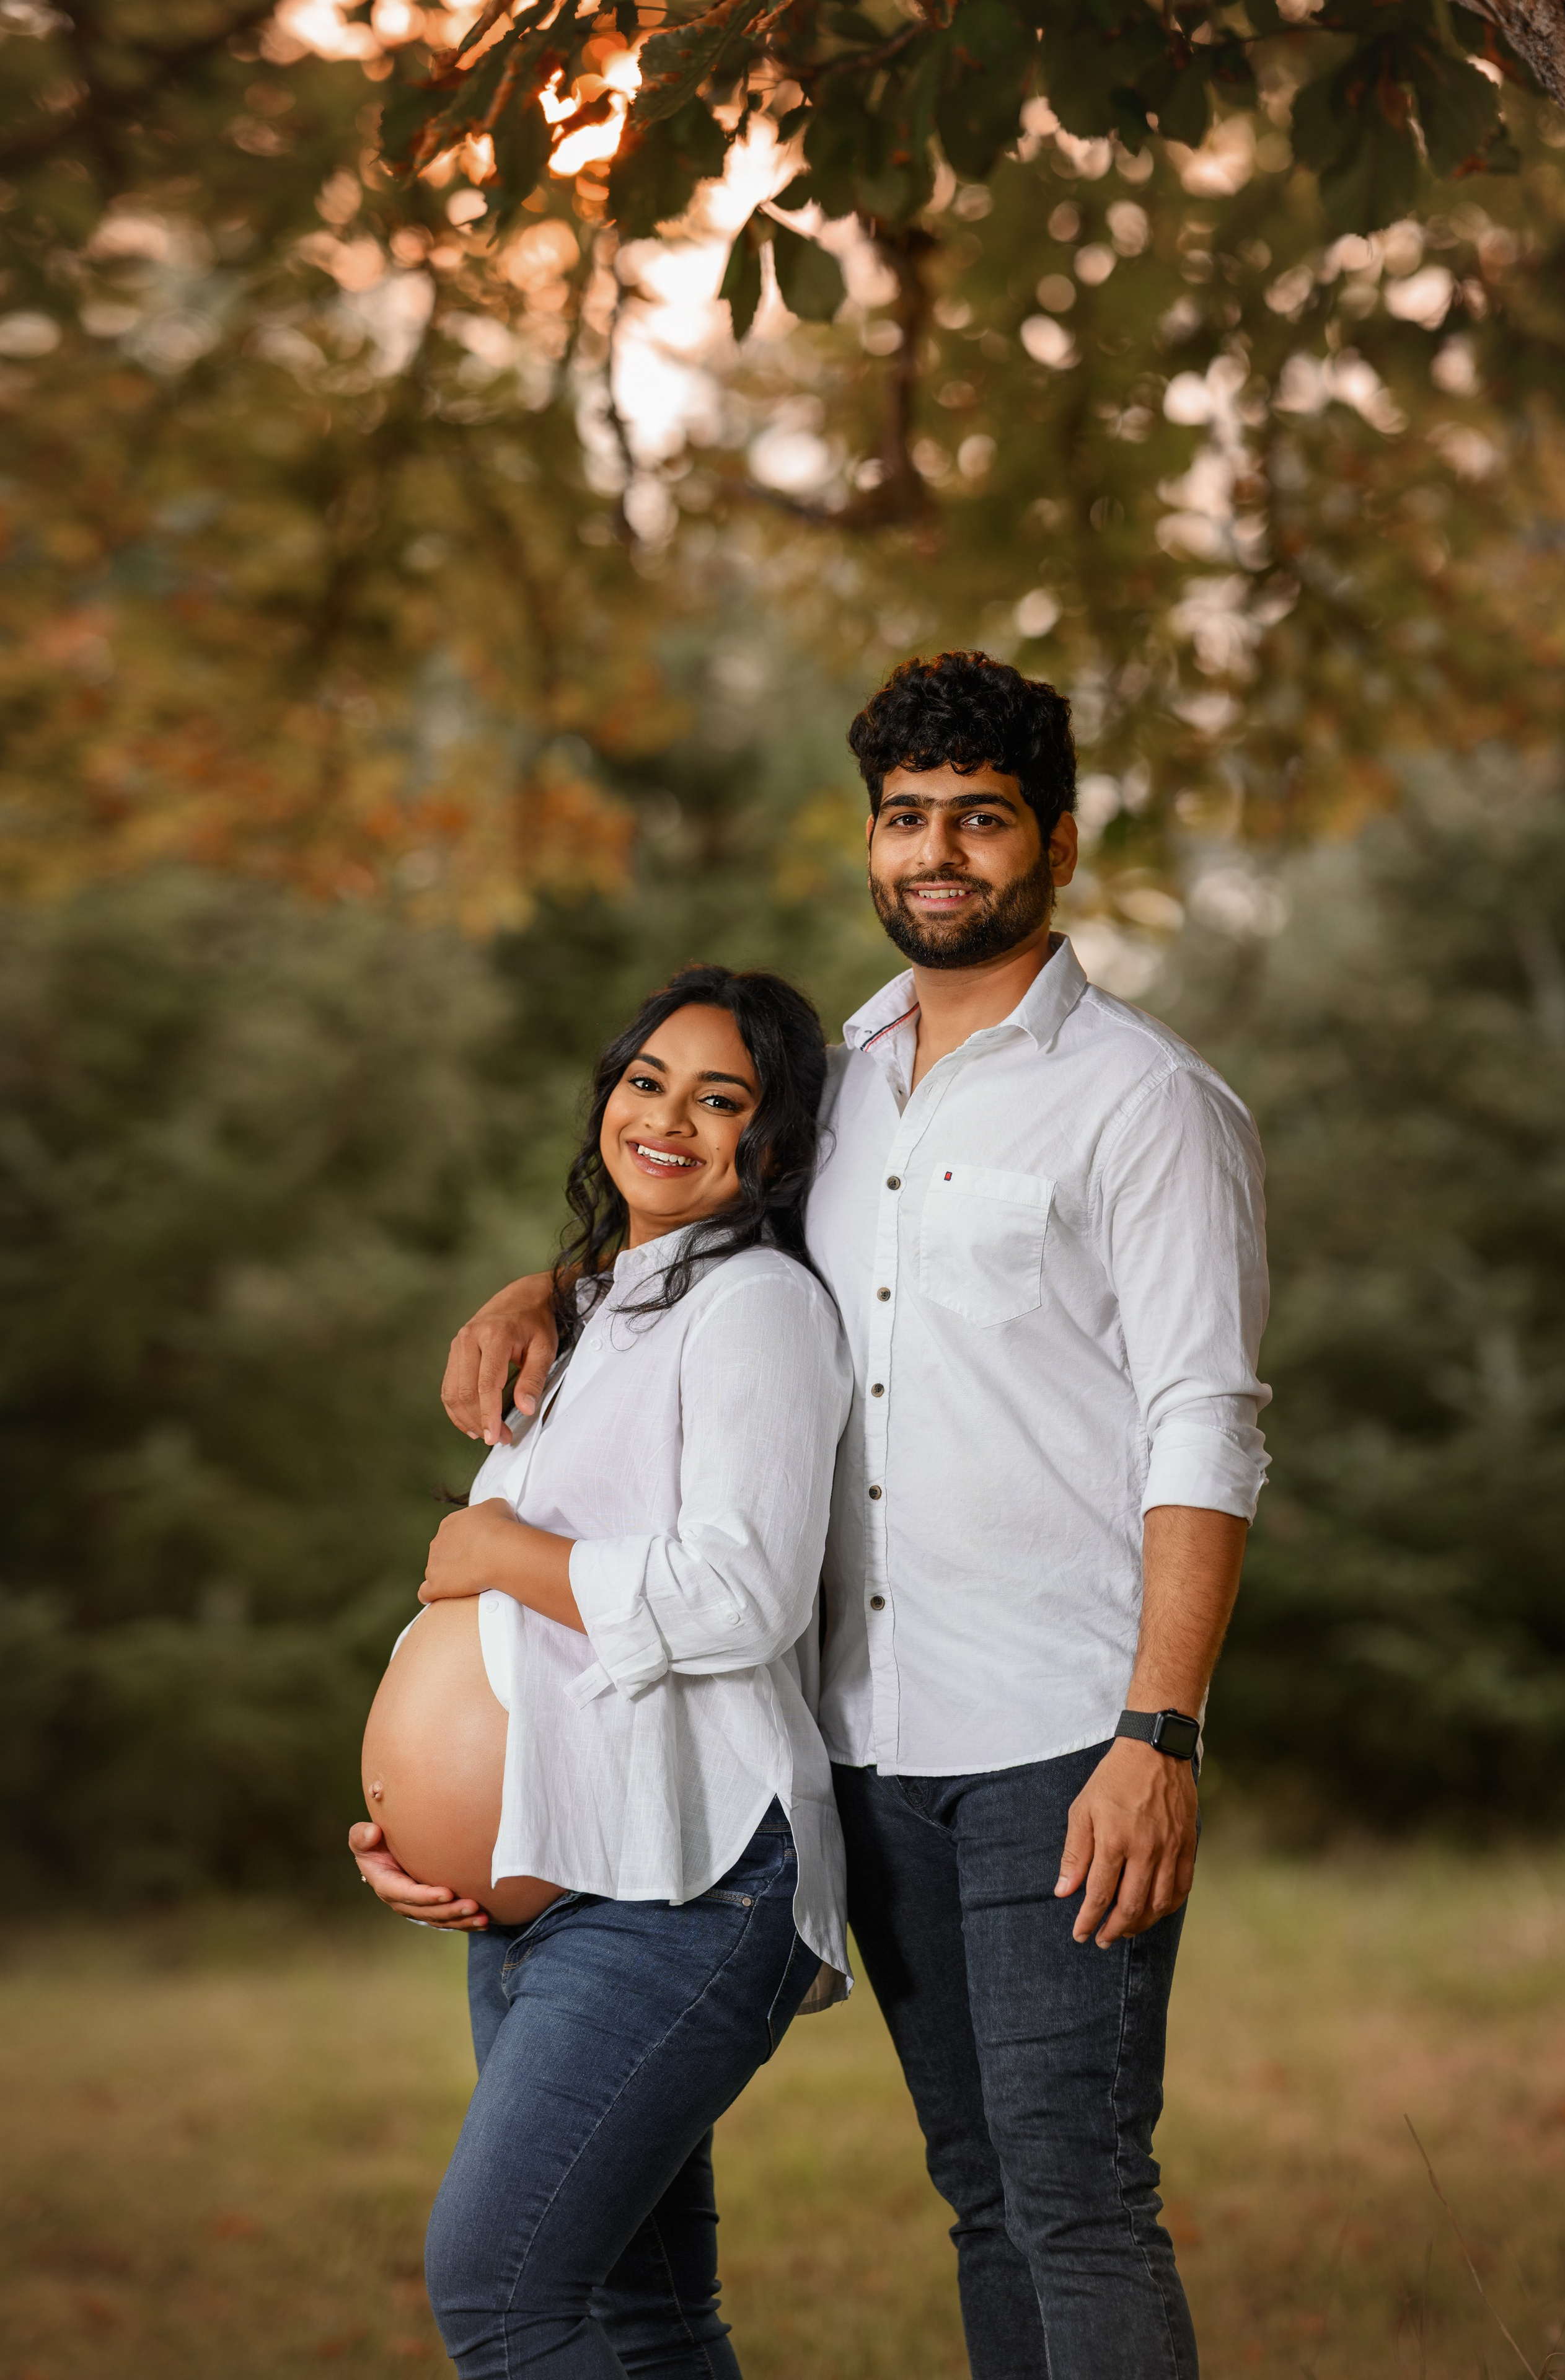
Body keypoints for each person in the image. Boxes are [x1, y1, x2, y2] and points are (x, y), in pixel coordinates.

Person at [422, 651, 1271, 2380]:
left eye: (980, 818)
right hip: (866, 1743)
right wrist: (551, 1283)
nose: (938, 852)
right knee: (978, 2194)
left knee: (1079, 2196)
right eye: (907, 818)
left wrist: (1159, 1733)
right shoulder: (846, 1079)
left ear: (1062, 841)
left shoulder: (1146, 1103)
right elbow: (696, 1215)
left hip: (1062, 1740)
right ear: (871, 841)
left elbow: (1207, 1422)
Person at [351, 963, 851, 2379]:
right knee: (647, 2319)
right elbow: (521, 1652)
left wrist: (499, 1548)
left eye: (721, 1100)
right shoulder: (604, 1311)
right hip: (548, 1880)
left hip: (686, 1881)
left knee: (502, 2300)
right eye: (647, 1082)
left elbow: (738, 1592)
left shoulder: (755, 1306)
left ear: (774, 1142)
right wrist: (417, 1822)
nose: (670, 1121)